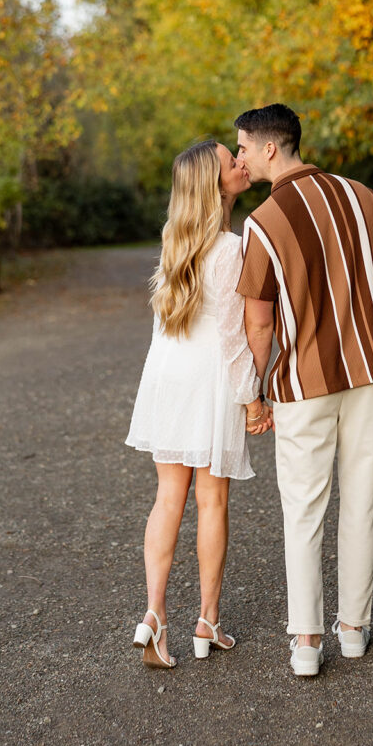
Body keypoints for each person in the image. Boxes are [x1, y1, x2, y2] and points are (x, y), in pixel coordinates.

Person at [235, 104, 373, 677]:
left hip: (304, 383)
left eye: (241, 146)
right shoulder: (364, 197)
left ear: (270, 149)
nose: (238, 156)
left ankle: (309, 640)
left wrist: (255, 388)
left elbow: (259, 321)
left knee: (304, 507)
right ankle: (356, 628)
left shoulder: (264, 222)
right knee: (362, 497)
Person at [126, 140, 273, 669]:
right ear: (215, 183)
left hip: (167, 374)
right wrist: (253, 398)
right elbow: (236, 338)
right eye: (228, 160)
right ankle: (206, 621)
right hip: (209, 378)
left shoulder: (175, 238)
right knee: (211, 502)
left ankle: (154, 614)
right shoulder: (234, 248)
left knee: (168, 497)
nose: (240, 163)